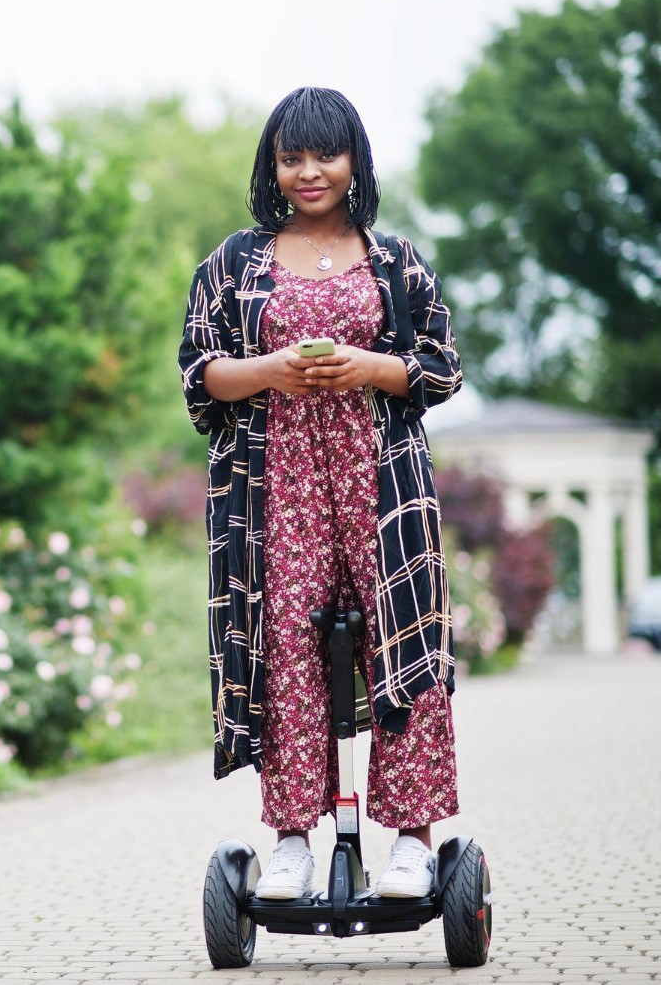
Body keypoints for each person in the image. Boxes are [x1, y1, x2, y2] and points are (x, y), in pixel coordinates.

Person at [178, 87, 463, 900]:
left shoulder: (395, 259)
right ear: (273, 165)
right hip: (275, 492)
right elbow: (199, 377)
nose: (309, 172)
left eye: (324, 156)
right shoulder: (234, 263)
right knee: (289, 659)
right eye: (291, 157)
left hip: (383, 484)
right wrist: (272, 371)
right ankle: (293, 840)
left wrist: (369, 366)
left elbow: (441, 364)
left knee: (404, 650)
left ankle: (412, 840)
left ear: (354, 162)